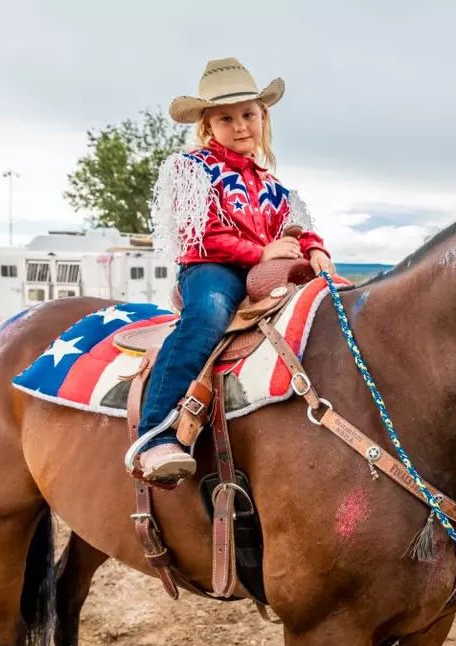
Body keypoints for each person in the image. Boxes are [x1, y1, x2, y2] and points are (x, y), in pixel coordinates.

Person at [133, 58, 333, 485]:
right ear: (208, 126)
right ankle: (155, 437)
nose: (241, 125)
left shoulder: (275, 187)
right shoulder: (193, 168)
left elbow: (297, 228)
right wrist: (260, 253)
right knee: (206, 317)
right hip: (212, 268)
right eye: (227, 117)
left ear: (264, 117)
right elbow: (199, 234)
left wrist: (315, 249)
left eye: (249, 114)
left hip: (266, 275)